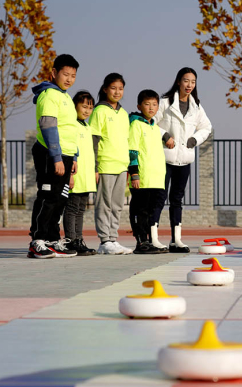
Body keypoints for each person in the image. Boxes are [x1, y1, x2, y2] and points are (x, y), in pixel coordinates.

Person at [152, 67, 212, 253]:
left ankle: (176, 240)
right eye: (186, 80)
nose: (189, 85)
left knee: (177, 199)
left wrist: (195, 139)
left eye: (193, 82)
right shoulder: (165, 102)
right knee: (159, 198)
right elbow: (151, 121)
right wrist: (165, 135)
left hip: (184, 159)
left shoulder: (196, 107)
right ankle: (153, 238)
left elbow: (207, 127)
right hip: (165, 157)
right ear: (179, 81)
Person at [28, 54, 79, 259]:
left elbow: (70, 128)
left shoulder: (65, 96)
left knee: (60, 199)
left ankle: (51, 240)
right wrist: (56, 157)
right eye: (65, 74)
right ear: (54, 73)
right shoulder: (49, 94)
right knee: (48, 197)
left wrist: (73, 156)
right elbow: (48, 126)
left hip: (65, 154)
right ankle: (37, 241)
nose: (69, 79)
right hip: (50, 153)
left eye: (73, 75)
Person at [90, 73, 133, 255]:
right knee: (104, 204)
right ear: (105, 89)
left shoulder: (123, 113)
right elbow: (93, 139)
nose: (117, 92)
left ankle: (113, 239)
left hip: (121, 166)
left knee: (117, 204)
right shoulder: (99, 111)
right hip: (105, 165)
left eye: (120, 88)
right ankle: (104, 240)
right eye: (113, 88)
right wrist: (94, 167)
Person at [127, 90, 167, 254]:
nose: (151, 108)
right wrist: (135, 174)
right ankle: (141, 241)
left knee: (152, 211)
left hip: (156, 179)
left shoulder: (155, 128)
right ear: (139, 106)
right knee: (140, 210)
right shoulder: (136, 125)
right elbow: (132, 151)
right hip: (142, 178)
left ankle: (150, 240)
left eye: (154, 104)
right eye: (147, 104)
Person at [62, 90, 97, 256]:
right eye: (83, 106)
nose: (87, 111)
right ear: (74, 106)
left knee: (81, 209)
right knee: (72, 208)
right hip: (76, 176)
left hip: (86, 176)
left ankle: (79, 239)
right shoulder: (72, 125)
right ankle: (71, 240)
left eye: (90, 108)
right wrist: (69, 174)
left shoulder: (87, 126)